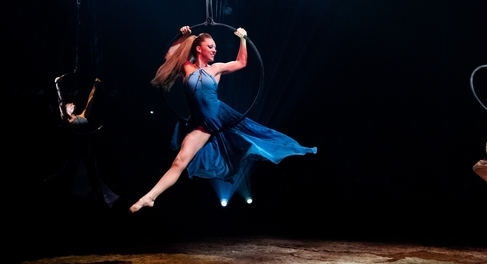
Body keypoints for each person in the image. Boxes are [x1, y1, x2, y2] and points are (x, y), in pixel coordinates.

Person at [129, 26, 317, 212]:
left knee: (254, 136)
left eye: (215, 47)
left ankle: (279, 148)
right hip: (200, 124)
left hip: (219, 116)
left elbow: (241, 63)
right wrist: (181, 36)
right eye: (210, 46)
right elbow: (170, 56)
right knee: (179, 161)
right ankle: (149, 197)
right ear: (198, 48)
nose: (214, 50)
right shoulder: (186, 67)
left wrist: (243, 39)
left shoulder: (216, 69)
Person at [44, 76, 118, 207]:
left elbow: (90, 101)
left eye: (72, 104)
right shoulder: (66, 120)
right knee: (69, 172)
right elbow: (61, 101)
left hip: (87, 147)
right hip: (76, 148)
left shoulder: (82, 115)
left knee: (92, 172)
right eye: (69, 105)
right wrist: (57, 85)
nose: (71, 104)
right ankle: (56, 191)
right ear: (66, 110)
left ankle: (97, 196)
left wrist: (96, 86)